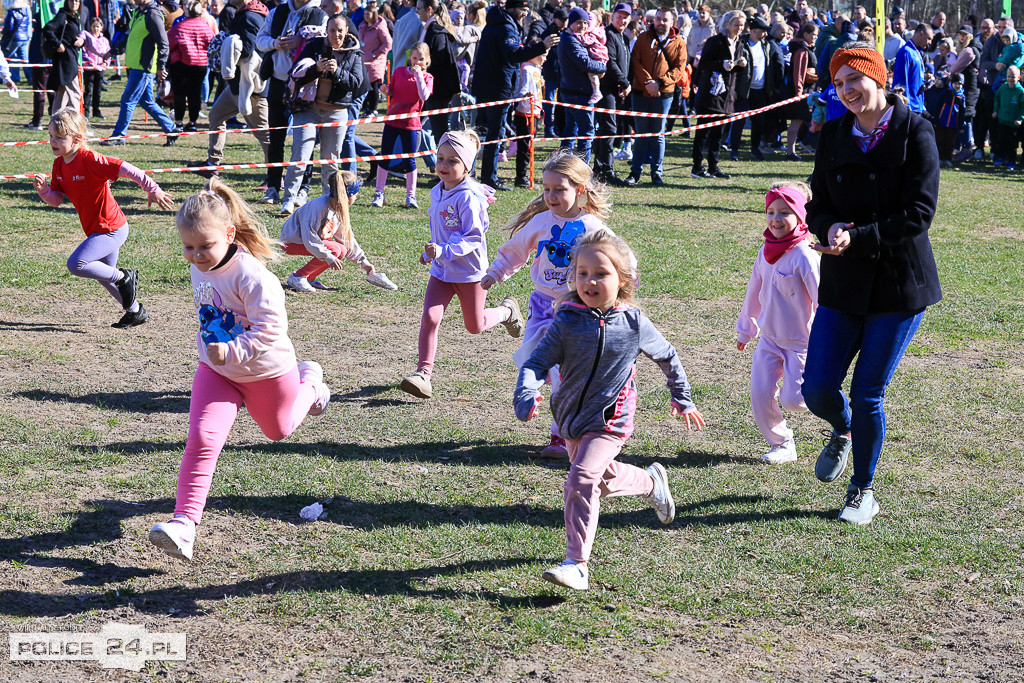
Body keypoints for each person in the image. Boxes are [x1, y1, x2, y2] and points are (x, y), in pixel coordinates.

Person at [148, 179, 331, 562]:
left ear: (229, 234)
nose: (197, 256)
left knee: (278, 431)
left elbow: (271, 331)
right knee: (202, 438)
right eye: (189, 247)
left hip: (266, 370)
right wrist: (218, 354)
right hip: (217, 371)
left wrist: (232, 349)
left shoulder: (253, 276)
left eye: (204, 247)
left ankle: (310, 383)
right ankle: (184, 525)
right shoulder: (203, 266)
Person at [513, 229, 705, 591]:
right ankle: (651, 483)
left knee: (581, 479)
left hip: (611, 419)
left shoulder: (633, 323)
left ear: (623, 280)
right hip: (571, 418)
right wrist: (526, 393)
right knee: (599, 479)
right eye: (582, 273)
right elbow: (536, 362)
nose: (590, 281)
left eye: (601, 273)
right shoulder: (566, 321)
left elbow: (667, 356)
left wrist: (682, 397)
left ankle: (577, 564)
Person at [803, 44, 941, 525]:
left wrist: (857, 237)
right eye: (838, 84)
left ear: (879, 79)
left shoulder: (916, 130)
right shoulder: (835, 132)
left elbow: (919, 214)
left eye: (854, 81)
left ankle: (862, 490)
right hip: (842, 282)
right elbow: (816, 203)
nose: (846, 92)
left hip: (897, 286)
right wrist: (827, 228)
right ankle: (842, 430)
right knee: (817, 388)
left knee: (867, 394)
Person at [483, 151, 610, 457]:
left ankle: (560, 437)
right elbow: (515, 250)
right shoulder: (540, 222)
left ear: (579, 189)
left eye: (559, 190)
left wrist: (618, 289)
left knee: (564, 375)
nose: (551, 196)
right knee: (533, 363)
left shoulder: (592, 226)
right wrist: (496, 271)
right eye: (547, 189)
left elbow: (618, 259)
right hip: (541, 307)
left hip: (576, 311)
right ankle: (529, 396)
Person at [399, 130, 525, 399]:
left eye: (453, 161)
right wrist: (432, 252)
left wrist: (443, 249)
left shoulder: (468, 197)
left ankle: (506, 312)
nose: (444, 165)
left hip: (469, 273)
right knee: (430, 318)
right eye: (440, 158)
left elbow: (473, 237)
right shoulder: (437, 191)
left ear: (467, 166)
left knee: (475, 326)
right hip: (442, 271)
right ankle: (423, 374)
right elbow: (441, 230)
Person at [33, 108, 174, 329]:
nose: (53, 141)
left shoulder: (90, 159)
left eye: (60, 137)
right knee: (103, 274)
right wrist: (44, 190)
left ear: (77, 138)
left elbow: (127, 168)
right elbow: (57, 199)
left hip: (112, 228)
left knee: (77, 264)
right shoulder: (59, 164)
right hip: (96, 229)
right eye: (51, 136)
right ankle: (135, 311)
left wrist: (152, 188)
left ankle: (124, 277)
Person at [736, 181, 819, 464]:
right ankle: (782, 443)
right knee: (760, 394)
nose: (775, 219)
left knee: (794, 400)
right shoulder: (765, 252)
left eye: (784, 212)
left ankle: (833, 402)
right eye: (771, 212)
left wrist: (827, 340)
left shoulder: (805, 256)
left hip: (801, 343)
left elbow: (823, 300)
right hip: (769, 339)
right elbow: (753, 292)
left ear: (800, 216)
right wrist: (747, 329)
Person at [279, 13, 365, 216]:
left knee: (330, 159)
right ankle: (289, 200)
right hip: (308, 109)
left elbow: (356, 83)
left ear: (347, 32)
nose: (336, 35)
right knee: (300, 155)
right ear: (326, 30)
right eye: (332, 30)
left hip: (336, 112)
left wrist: (337, 72)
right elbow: (296, 74)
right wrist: (316, 69)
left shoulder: (354, 53)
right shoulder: (315, 46)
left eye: (340, 31)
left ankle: (330, 201)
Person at [472, 0, 557, 190]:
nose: (524, 14)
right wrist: (542, 46)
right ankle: (489, 178)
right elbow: (514, 53)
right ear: (511, 8)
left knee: (482, 131)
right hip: (498, 88)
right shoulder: (505, 27)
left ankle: (475, 173)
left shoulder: (494, 22)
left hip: (485, 85)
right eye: (523, 10)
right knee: (495, 133)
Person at [254, 0, 328, 204]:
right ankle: (273, 187)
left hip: (304, 84)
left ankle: (302, 190)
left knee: (305, 140)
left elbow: (325, 44)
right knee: (275, 137)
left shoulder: (319, 14)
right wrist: (275, 43)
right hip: (278, 81)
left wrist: (301, 42)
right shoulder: (277, 12)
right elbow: (260, 40)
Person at [192, 0, 270, 178]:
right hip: (236, 85)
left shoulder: (250, 16)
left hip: (251, 88)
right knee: (216, 116)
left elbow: (249, 48)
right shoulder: (244, 13)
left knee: (264, 134)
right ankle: (212, 164)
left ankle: (275, 176)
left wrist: (224, 43)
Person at [281, 170, 396, 292]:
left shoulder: (338, 209)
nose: (356, 197)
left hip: (308, 242)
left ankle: (310, 278)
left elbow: (346, 238)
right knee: (335, 250)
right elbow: (309, 237)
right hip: (291, 242)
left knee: (342, 250)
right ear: (348, 195)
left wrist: (364, 263)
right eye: (355, 194)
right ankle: (298, 276)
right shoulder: (318, 206)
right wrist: (328, 256)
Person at [102, 0, 181, 145]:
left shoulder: (153, 14)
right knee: (147, 102)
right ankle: (172, 129)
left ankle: (119, 136)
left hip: (143, 67)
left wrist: (161, 66)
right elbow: (130, 37)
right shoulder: (139, 12)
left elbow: (163, 42)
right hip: (136, 65)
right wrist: (112, 52)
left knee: (128, 100)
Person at [625, 6, 686, 186]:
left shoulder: (679, 42)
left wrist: (659, 84)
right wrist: (648, 83)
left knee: (658, 133)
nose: (660, 23)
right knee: (641, 133)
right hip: (640, 92)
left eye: (664, 20)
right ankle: (635, 172)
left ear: (672, 22)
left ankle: (656, 173)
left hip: (664, 94)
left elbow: (679, 69)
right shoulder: (643, 38)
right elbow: (635, 61)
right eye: (658, 19)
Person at [369, 42, 433, 208]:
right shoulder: (399, 71)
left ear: (427, 61)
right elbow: (392, 90)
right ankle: (379, 193)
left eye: (421, 59)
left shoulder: (428, 78)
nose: (417, 62)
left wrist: (419, 76)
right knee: (386, 157)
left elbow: (424, 95)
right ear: (409, 58)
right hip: (392, 120)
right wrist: (385, 89)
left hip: (412, 124)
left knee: (410, 161)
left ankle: (411, 197)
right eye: (414, 58)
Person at [690, 9, 745, 179]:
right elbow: (704, 63)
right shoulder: (715, 41)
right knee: (703, 131)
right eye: (736, 25)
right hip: (710, 94)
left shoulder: (740, 43)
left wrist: (740, 64)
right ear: (727, 24)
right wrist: (722, 64)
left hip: (727, 95)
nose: (740, 28)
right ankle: (697, 167)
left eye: (742, 25)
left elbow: (735, 71)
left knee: (718, 133)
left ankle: (713, 166)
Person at [556, 7, 606, 163]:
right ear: (571, 23)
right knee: (586, 131)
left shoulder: (574, 38)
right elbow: (585, 63)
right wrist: (603, 67)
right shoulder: (571, 40)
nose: (582, 26)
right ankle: (582, 167)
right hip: (578, 92)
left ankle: (564, 164)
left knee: (571, 128)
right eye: (578, 23)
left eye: (585, 23)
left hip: (572, 90)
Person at [592, 3, 630, 184]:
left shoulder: (623, 38)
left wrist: (623, 85)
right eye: (620, 16)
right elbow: (611, 63)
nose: (622, 20)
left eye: (626, 17)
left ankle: (599, 168)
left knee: (607, 129)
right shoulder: (609, 35)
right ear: (613, 16)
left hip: (616, 90)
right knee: (609, 128)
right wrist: (624, 82)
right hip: (606, 89)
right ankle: (605, 170)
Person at [167, 0, 215, 134]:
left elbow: (170, 43)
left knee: (180, 94)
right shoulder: (205, 27)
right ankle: (193, 122)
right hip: (200, 64)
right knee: (195, 94)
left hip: (182, 63)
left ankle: (179, 122)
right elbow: (212, 43)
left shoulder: (180, 26)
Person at [415, 0, 460, 139]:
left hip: (438, 89)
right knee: (416, 124)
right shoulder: (430, 29)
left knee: (439, 130)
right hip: (430, 86)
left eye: (419, 8)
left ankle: (444, 157)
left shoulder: (436, 31)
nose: (417, 11)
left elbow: (440, 58)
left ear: (429, 9)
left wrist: (421, 62)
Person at [779, 21, 818, 161]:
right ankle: (790, 152)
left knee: (801, 122)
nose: (815, 38)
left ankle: (794, 149)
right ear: (806, 34)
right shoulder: (802, 50)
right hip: (799, 93)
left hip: (806, 92)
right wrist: (799, 94)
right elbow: (799, 74)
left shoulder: (807, 48)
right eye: (813, 35)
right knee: (796, 122)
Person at [43, 0, 85, 115]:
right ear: (67, 2)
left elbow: (75, 36)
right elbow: (47, 29)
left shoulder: (76, 17)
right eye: (71, 0)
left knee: (62, 94)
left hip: (71, 57)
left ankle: (56, 125)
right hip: (65, 61)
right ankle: (75, 125)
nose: (74, 3)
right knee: (74, 93)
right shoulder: (63, 15)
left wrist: (82, 41)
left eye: (77, 1)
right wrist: (58, 44)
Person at [510, 50, 545, 187]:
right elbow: (522, 91)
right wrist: (526, 95)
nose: (545, 59)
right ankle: (521, 177)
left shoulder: (536, 69)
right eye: (544, 56)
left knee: (529, 146)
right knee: (524, 147)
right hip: (525, 113)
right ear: (535, 55)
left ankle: (524, 176)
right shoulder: (526, 70)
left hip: (534, 112)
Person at [358, 4, 391, 115]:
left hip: (376, 61)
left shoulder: (380, 27)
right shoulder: (362, 26)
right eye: (365, 14)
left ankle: (373, 109)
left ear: (374, 14)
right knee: (364, 84)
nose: (366, 16)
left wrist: (375, 53)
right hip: (364, 59)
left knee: (373, 85)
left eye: (368, 14)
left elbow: (388, 43)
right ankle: (366, 107)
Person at [893, 22, 931, 114]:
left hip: (917, 107)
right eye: (929, 38)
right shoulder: (906, 52)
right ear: (921, 34)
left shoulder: (916, 52)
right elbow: (900, 83)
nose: (930, 42)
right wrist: (906, 107)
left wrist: (922, 107)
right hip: (910, 109)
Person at [992, 65, 1024, 170]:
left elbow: (1023, 107)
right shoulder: (1002, 88)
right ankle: (1000, 158)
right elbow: (997, 100)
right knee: (1001, 141)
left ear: (1018, 78)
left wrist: (1020, 118)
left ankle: (1011, 162)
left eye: (1013, 77)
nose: (1010, 79)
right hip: (1002, 120)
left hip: (1013, 123)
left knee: (1012, 144)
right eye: (1009, 76)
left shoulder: (1020, 91)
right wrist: (995, 111)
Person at [81, 17, 111, 119]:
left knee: (97, 90)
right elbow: (84, 53)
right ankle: (86, 111)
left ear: (101, 27)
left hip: (100, 68)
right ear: (90, 27)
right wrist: (90, 62)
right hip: (89, 68)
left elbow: (108, 53)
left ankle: (96, 110)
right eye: (93, 26)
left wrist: (106, 63)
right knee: (88, 90)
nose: (95, 29)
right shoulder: (88, 38)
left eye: (97, 26)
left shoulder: (105, 40)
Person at [933, 72, 965, 167]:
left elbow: (962, 113)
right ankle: (938, 158)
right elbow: (938, 106)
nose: (957, 86)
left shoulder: (961, 97)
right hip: (941, 122)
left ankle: (947, 158)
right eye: (955, 83)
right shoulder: (945, 93)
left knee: (950, 142)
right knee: (940, 140)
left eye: (959, 84)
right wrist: (935, 120)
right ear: (951, 83)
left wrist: (961, 126)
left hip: (953, 124)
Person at [2, 0, 33, 83]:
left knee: (6, 58)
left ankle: (7, 77)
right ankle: (31, 78)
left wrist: (3, 32)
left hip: (14, 39)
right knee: (25, 60)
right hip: (24, 38)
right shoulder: (27, 11)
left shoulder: (11, 12)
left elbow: (9, 26)